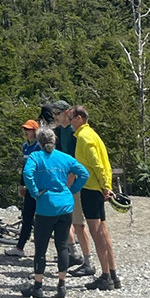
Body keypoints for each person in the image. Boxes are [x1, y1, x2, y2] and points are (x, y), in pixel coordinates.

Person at [20, 127, 89, 298]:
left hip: (46, 205)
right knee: (62, 245)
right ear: (54, 140)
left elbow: (27, 173)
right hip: (65, 205)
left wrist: (34, 192)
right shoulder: (65, 157)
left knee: (41, 247)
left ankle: (38, 285)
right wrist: (72, 189)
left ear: (40, 141)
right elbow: (84, 173)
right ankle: (61, 285)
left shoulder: (36, 156)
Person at [69, 105, 121, 290]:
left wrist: (106, 186)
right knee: (104, 232)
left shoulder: (84, 137)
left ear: (80, 118)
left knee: (97, 233)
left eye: (72, 118)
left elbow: (97, 163)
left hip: (91, 189)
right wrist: (106, 185)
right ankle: (113, 275)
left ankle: (105, 276)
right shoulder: (92, 134)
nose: (70, 122)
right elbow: (104, 162)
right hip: (96, 187)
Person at [53, 100, 94, 276]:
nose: (55, 115)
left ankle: (88, 261)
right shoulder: (61, 131)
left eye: (58, 112)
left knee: (78, 223)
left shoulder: (72, 131)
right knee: (64, 219)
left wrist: (71, 182)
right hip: (64, 180)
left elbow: (76, 159)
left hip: (74, 180)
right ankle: (73, 253)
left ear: (68, 112)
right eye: (53, 112)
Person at [5, 119, 40, 258]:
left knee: (41, 218)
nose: (26, 131)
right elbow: (24, 168)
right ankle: (20, 248)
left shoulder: (39, 146)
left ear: (35, 131)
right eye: (25, 129)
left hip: (39, 186)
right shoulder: (25, 146)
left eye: (29, 129)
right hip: (29, 186)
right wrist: (21, 184)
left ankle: (40, 249)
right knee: (27, 216)